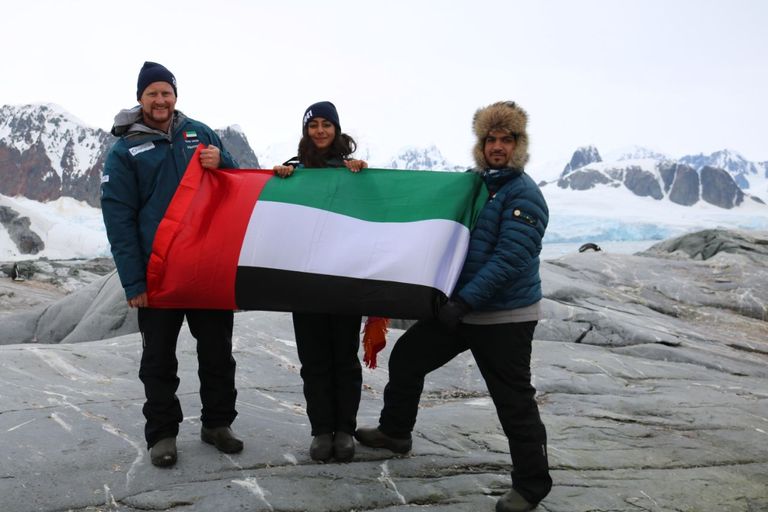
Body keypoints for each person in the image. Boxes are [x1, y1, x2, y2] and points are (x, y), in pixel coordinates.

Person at [354, 101, 552, 512]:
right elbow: (428, 209)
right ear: (481, 145)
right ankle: (396, 433)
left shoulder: (524, 195)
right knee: (407, 357)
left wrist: (462, 302)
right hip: (462, 310)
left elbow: (509, 259)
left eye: (506, 139)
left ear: (519, 144)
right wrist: (361, 177)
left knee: (513, 400)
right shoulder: (476, 185)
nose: (498, 147)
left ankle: (532, 485)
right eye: (490, 139)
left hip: (503, 317)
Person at [101, 62, 243, 468]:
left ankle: (218, 424)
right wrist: (134, 281)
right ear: (140, 99)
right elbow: (119, 219)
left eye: (166, 92)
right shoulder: (125, 151)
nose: (160, 100)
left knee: (217, 352)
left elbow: (235, 185)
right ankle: (162, 433)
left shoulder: (200, 133)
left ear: (175, 96)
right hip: (158, 274)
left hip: (205, 269)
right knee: (158, 359)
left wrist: (225, 161)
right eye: (152, 94)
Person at [273, 101, 367, 462]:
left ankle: (345, 430)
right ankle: (320, 431)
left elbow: (372, 210)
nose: (321, 131)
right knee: (313, 360)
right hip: (306, 282)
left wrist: (364, 176)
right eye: (314, 126)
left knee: (344, 358)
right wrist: (279, 181)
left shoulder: (352, 170)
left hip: (345, 280)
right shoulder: (294, 171)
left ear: (337, 129)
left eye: (327, 125)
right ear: (306, 131)